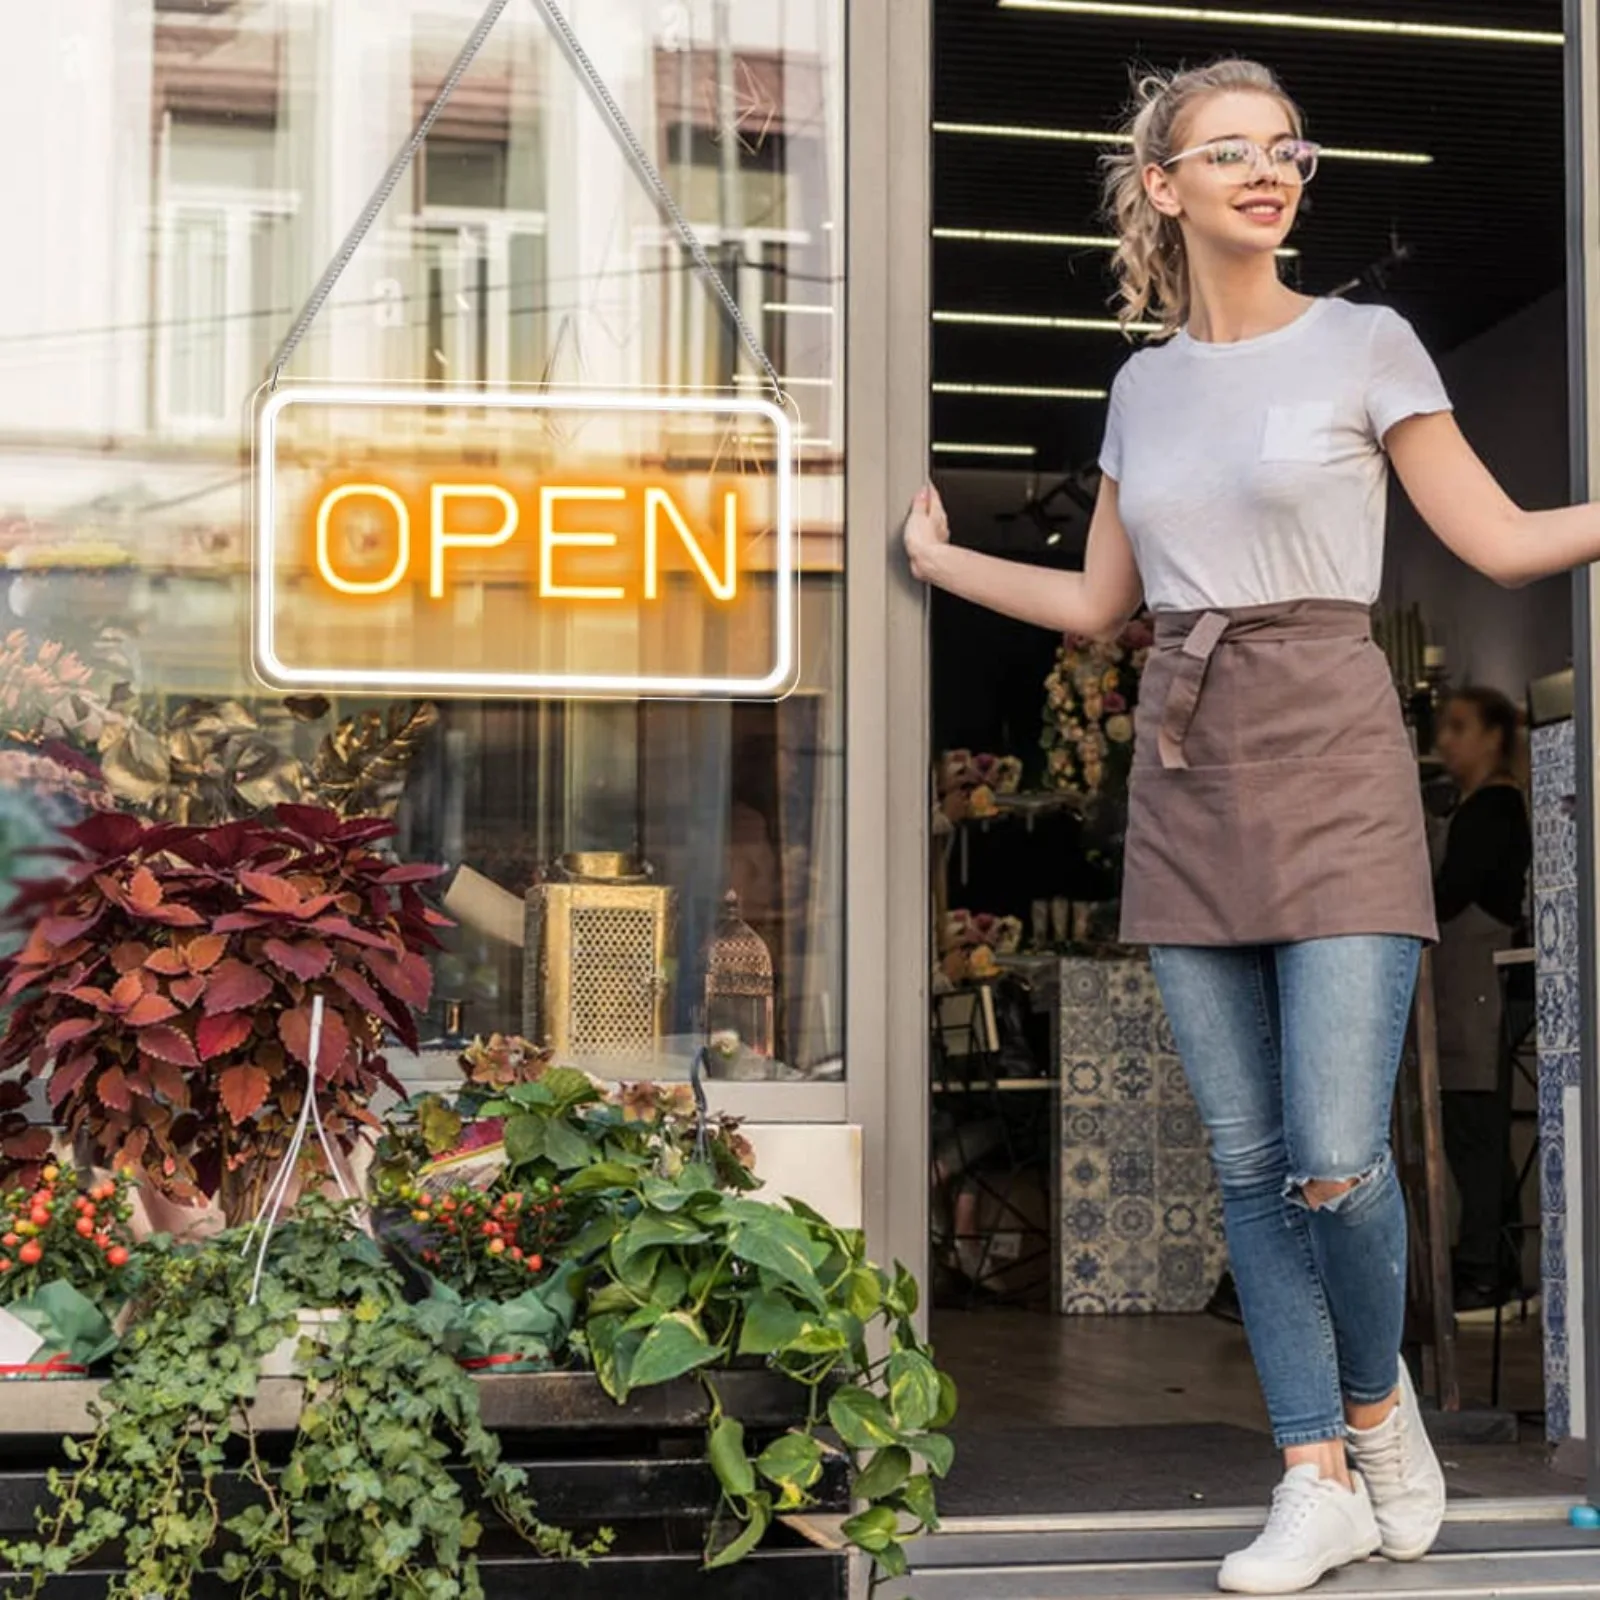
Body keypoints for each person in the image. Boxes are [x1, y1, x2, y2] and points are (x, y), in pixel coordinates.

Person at [903, 57, 1600, 1596]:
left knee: (1337, 1159)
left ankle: (1372, 1407)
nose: (1269, 171)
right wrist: (943, 567)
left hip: (1337, 748)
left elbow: (1498, 536)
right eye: (1231, 151)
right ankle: (1317, 1469)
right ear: (1164, 186)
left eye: (1286, 149)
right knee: (1246, 1159)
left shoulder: (1367, 342)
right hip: (1187, 762)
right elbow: (1101, 604)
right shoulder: (1143, 386)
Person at [1431, 688, 1533, 1316]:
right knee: (1474, 1132)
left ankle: (1484, 1270)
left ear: (1494, 737)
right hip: (1461, 990)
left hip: (1480, 993)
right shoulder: (1470, 807)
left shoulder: (1493, 811)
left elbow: (1447, 895)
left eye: (1460, 727)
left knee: (1478, 1133)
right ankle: (1488, 1264)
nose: (1446, 739)